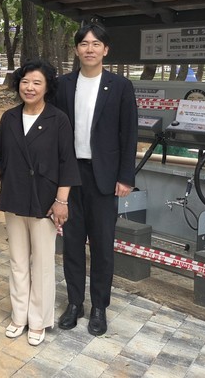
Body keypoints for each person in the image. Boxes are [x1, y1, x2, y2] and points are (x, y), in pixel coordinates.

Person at [0, 59, 80, 346]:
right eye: (25, 81)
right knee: (17, 261)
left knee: (42, 263)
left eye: (37, 82)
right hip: (14, 195)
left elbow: (67, 162)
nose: (30, 87)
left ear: (47, 87)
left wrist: (62, 201)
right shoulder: (9, 118)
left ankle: (38, 320)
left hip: (45, 199)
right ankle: (19, 316)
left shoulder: (58, 119)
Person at [53, 22, 138, 337]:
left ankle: (99, 306)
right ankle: (75, 303)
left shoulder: (120, 86)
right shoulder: (63, 85)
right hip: (70, 175)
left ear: (106, 49)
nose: (90, 49)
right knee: (72, 243)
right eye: (84, 44)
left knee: (102, 245)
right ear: (76, 50)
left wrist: (125, 177)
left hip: (104, 175)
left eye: (96, 44)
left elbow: (129, 133)